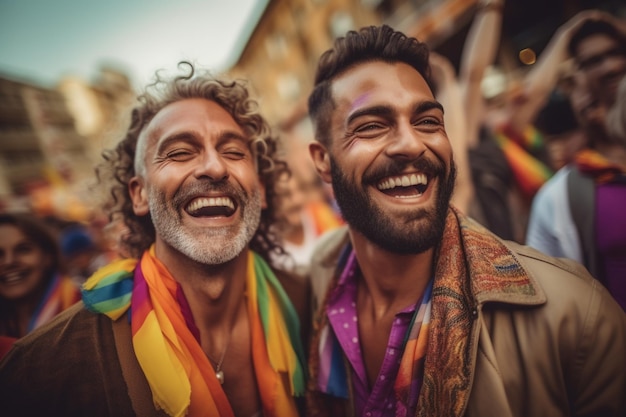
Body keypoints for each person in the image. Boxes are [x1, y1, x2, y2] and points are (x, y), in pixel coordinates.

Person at [304, 25, 626, 416]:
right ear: (323, 160)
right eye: (372, 126)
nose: (411, 143)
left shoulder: (575, 319)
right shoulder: (316, 281)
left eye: (427, 121)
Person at [0, 62, 308, 417]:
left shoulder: (311, 306)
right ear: (139, 195)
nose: (214, 167)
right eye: (179, 152)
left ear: (262, 190)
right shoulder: (44, 370)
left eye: (234, 152)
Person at [0, 212, 80, 340]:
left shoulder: (84, 309)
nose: (9, 261)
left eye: (23, 249)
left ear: (48, 256)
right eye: (0, 254)